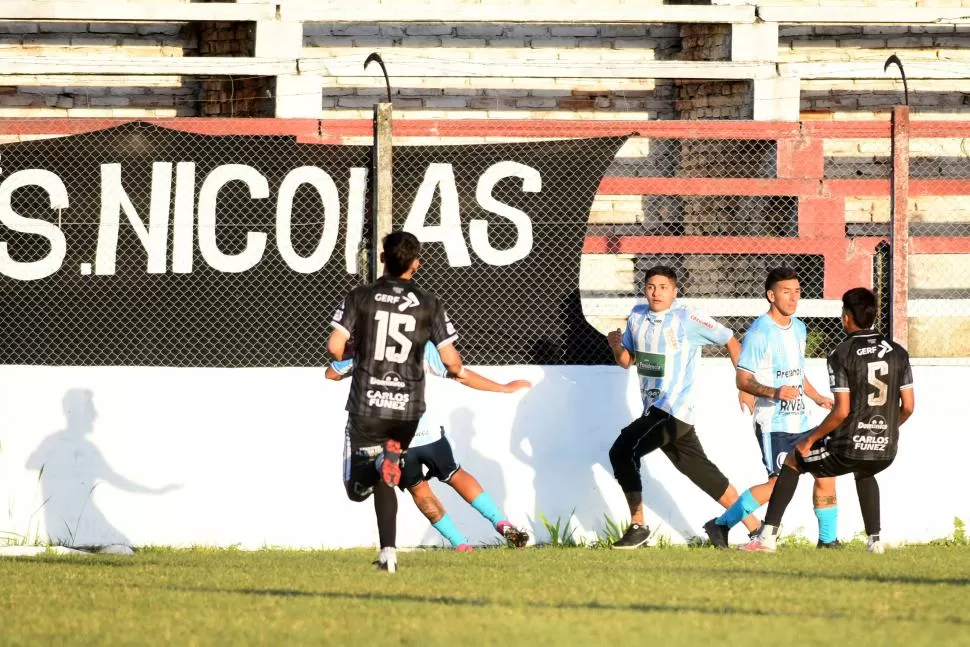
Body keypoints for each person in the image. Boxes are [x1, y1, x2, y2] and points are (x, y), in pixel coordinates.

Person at [326, 230, 462, 574]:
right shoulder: (430, 303)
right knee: (389, 471)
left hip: (367, 404)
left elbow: (334, 349)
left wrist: (360, 348)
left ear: (383, 257)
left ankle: (376, 470)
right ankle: (388, 553)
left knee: (357, 490)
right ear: (416, 263)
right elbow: (453, 362)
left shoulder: (359, 296)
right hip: (407, 409)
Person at [741, 287, 914, 553]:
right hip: (886, 449)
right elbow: (909, 406)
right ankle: (875, 541)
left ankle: (766, 538)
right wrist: (884, 430)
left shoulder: (841, 353)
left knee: (793, 459)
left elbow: (842, 411)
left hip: (847, 447)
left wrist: (810, 440)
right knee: (865, 470)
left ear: (846, 316)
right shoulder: (898, 352)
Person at [607, 265, 760, 548]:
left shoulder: (686, 317)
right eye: (651, 286)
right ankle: (755, 529)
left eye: (663, 287)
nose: (656, 292)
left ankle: (638, 525)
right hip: (655, 411)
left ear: (675, 291)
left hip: (672, 409)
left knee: (622, 450)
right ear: (645, 289)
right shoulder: (638, 317)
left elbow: (728, 338)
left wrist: (744, 384)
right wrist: (616, 346)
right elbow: (628, 361)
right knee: (703, 473)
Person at [328, 341, 532, 550]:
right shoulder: (422, 345)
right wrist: (504, 388)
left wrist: (350, 352)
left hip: (397, 443)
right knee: (455, 474)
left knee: (420, 492)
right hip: (428, 434)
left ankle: (460, 544)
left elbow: (331, 374)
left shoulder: (369, 344)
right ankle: (502, 524)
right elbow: (460, 373)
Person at [704, 268, 840, 549]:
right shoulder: (759, 332)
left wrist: (816, 397)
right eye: (786, 291)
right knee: (778, 484)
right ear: (771, 295)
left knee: (826, 473)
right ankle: (721, 525)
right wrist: (774, 392)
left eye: (797, 291)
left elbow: (796, 371)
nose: (793, 297)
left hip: (804, 422)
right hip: (773, 423)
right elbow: (743, 379)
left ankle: (828, 541)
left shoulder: (799, 328)